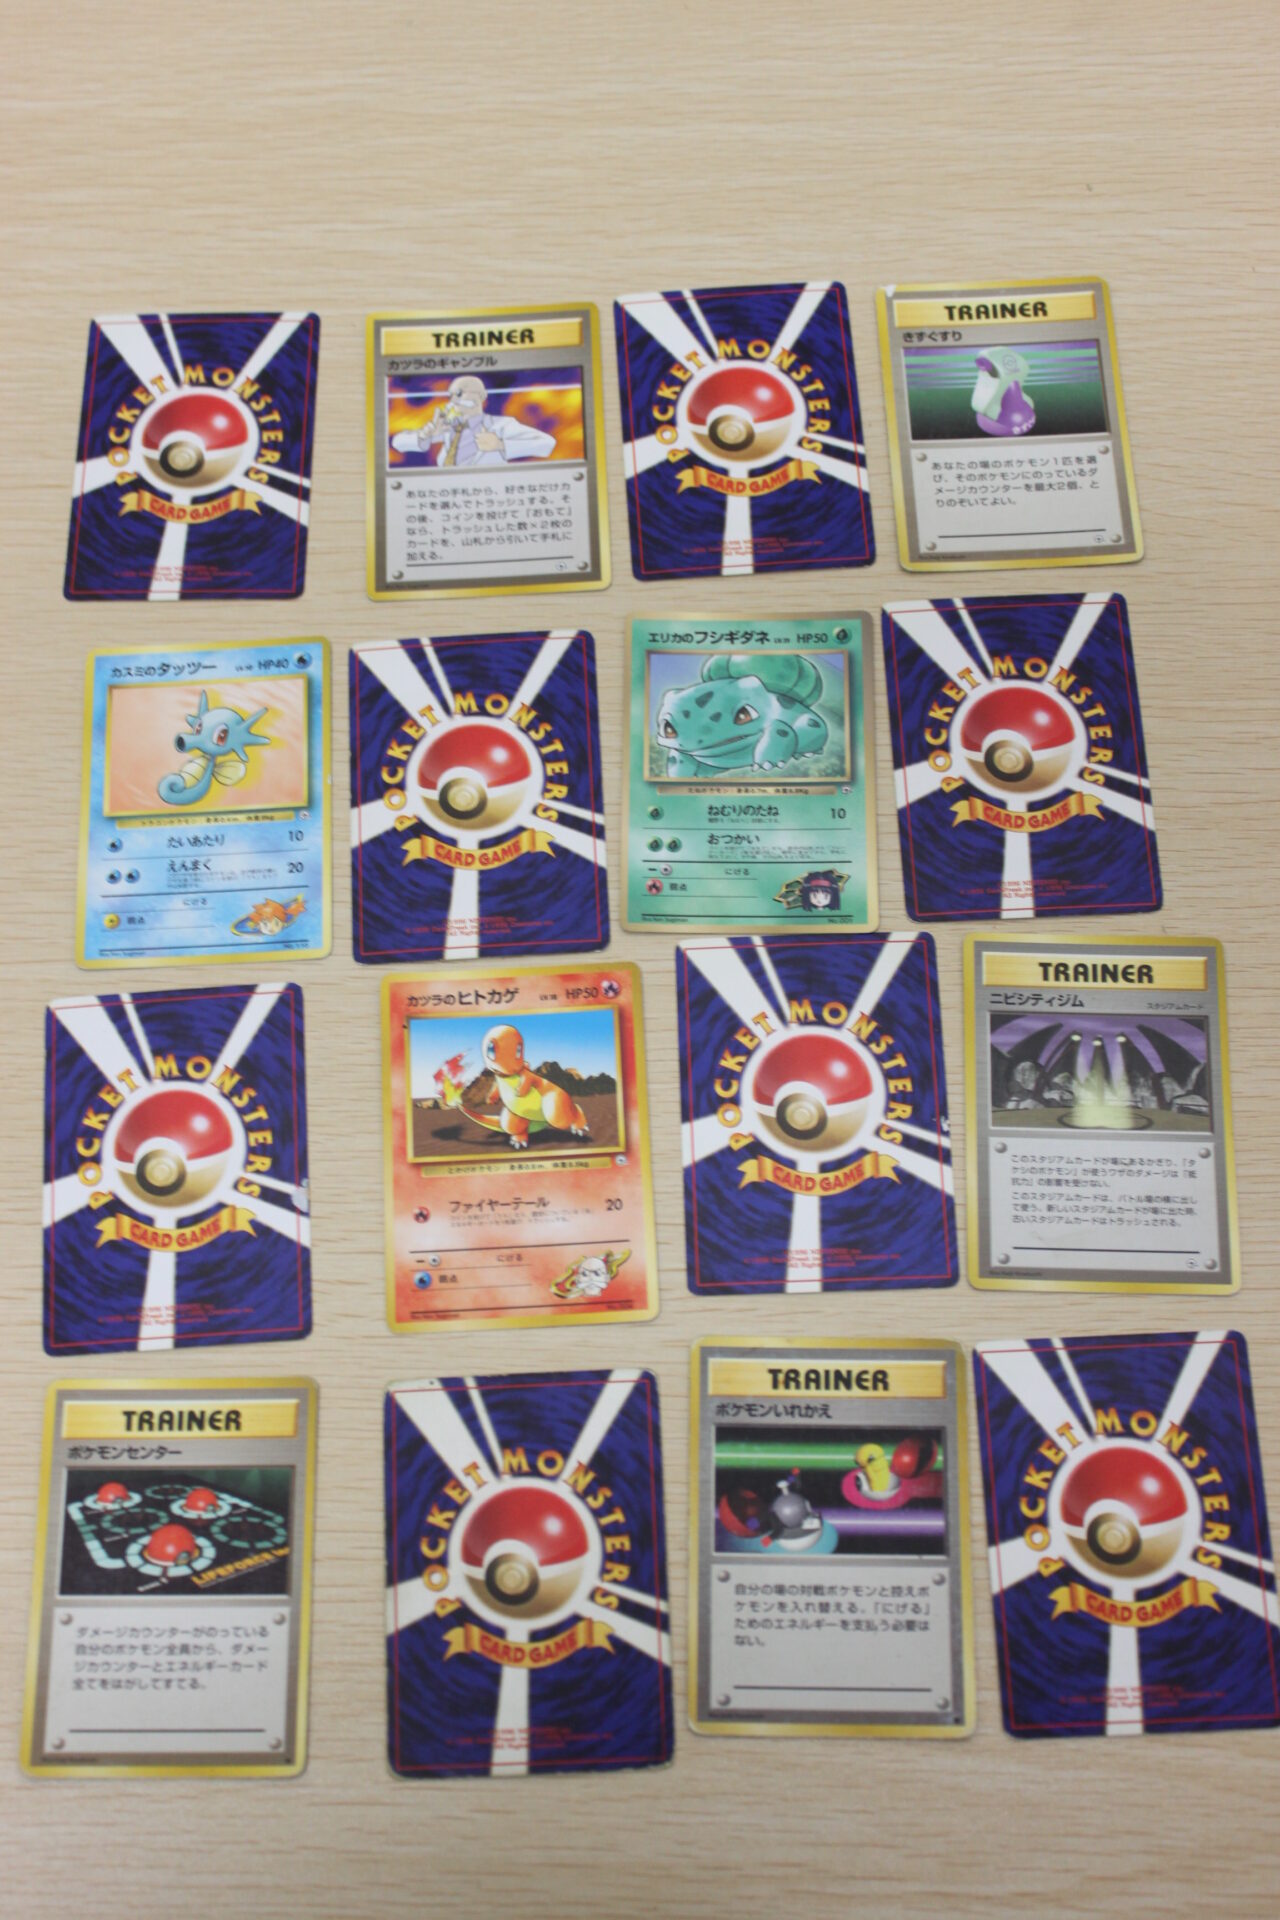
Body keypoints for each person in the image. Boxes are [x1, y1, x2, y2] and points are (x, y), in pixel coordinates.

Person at [391, 374, 555, 468]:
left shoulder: (501, 426)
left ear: (483, 398)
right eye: (453, 396)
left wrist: (501, 445)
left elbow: (546, 444)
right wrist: (424, 435)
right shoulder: (445, 428)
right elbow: (398, 442)